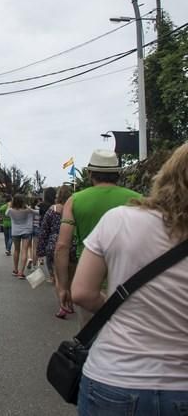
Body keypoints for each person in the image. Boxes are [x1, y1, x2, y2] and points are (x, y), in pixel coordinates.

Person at [71, 142, 188, 415]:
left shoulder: (119, 219)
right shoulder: (126, 199)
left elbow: (83, 293)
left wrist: (119, 308)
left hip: (114, 377)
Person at [55, 149, 141, 322]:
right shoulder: (139, 200)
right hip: (128, 283)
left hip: (90, 282)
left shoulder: (75, 200)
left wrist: (63, 286)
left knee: (89, 339)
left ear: (89, 173)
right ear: (118, 173)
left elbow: (62, 246)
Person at [35, 185, 73, 318]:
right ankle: (71, 302)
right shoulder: (73, 210)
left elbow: (44, 231)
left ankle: (63, 305)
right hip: (71, 245)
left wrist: (40, 251)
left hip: (54, 246)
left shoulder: (52, 210)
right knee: (70, 277)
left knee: (58, 278)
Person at [6, 194, 36, 278]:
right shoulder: (26, 210)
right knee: (24, 251)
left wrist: (9, 205)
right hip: (26, 231)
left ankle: (15, 270)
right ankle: (21, 272)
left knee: (16, 250)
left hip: (15, 232)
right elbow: (35, 212)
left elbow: (6, 214)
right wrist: (28, 207)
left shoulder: (11, 210)